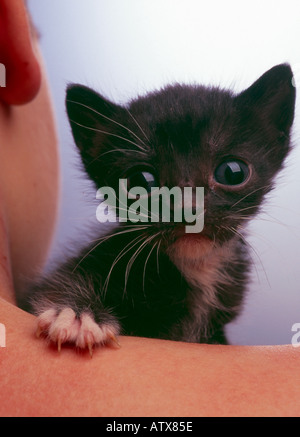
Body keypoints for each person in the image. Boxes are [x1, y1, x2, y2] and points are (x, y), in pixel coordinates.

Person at [0, 0, 299, 417]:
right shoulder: (118, 264)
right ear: (100, 168)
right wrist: (77, 309)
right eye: (144, 182)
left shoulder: (235, 270)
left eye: (231, 172)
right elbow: (63, 291)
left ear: (274, 143)